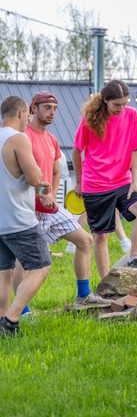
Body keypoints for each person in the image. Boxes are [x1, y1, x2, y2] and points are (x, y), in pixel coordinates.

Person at [16, 92, 110, 309]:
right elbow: (21, 174)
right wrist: (40, 194)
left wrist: (51, 196)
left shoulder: (52, 139)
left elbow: (57, 171)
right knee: (21, 261)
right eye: (47, 107)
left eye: (54, 108)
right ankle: (23, 311)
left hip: (48, 207)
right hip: (26, 207)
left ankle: (84, 296)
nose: (52, 112)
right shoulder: (24, 137)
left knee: (85, 240)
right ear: (33, 108)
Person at [72, 80, 137, 277]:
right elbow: (76, 151)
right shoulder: (89, 120)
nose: (121, 108)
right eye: (117, 104)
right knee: (101, 237)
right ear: (105, 100)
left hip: (123, 181)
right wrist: (78, 181)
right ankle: (106, 282)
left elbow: (136, 148)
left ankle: (134, 257)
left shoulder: (133, 115)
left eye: (124, 103)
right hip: (95, 184)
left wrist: (134, 181)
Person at [0, 96, 52, 337]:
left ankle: (2, 319)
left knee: (4, 272)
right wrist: (46, 194)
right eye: (28, 116)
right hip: (18, 220)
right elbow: (34, 179)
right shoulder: (18, 139)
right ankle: (12, 320)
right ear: (21, 113)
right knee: (41, 266)